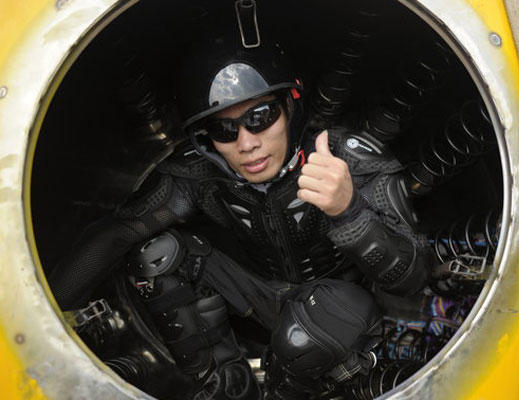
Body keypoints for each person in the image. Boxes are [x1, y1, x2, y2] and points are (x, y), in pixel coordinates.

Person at [48, 34, 433, 400]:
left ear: (290, 107)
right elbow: (117, 234)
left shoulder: (348, 159)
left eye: (261, 116)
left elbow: (415, 277)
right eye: (223, 129)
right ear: (205, 137)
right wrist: (50, 314)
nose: (247, 143)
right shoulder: (198, 172)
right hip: (259, 293)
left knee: (321, 327)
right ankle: (227, 388)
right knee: (156, 255)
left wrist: (349, 211)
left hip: (340, 310)